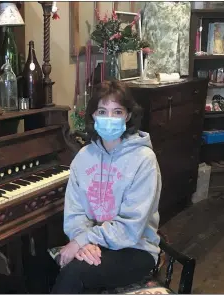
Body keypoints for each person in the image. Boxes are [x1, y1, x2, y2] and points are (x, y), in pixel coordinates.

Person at [52, 80, 162, 294]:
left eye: (117, 111)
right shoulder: (83, 157)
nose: (109, 119)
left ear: (128, 116)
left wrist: (82, 240)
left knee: (74, 273)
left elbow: (130, 228)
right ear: (93, 115)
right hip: (94, 243)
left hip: (136, 248)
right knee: (41, 267)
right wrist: (83, 243)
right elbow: (74, 213)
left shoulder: (144, 159)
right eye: (102, 111)